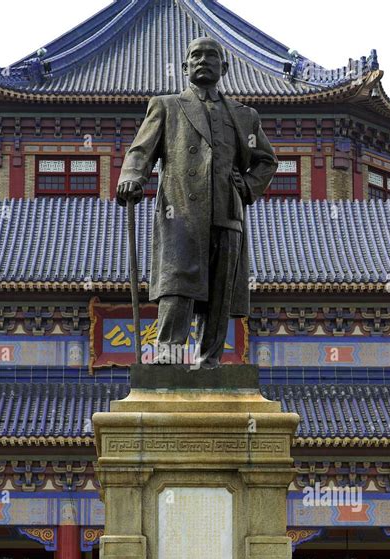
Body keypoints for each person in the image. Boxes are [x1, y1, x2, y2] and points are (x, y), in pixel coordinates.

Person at [117, 37, 278, 367]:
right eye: (196, 56)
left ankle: (210, 361)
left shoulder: (245, 116)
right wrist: (131, 176)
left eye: (211, 56)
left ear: (225, 67)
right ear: (185, 66)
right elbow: (140, 151)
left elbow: (267, 160)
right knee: (178, 283)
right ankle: (169, 354)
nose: (203, 60)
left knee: (221, 290)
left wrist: (246, 186)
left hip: (227, 212)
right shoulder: (167, 107)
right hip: (181, 211)